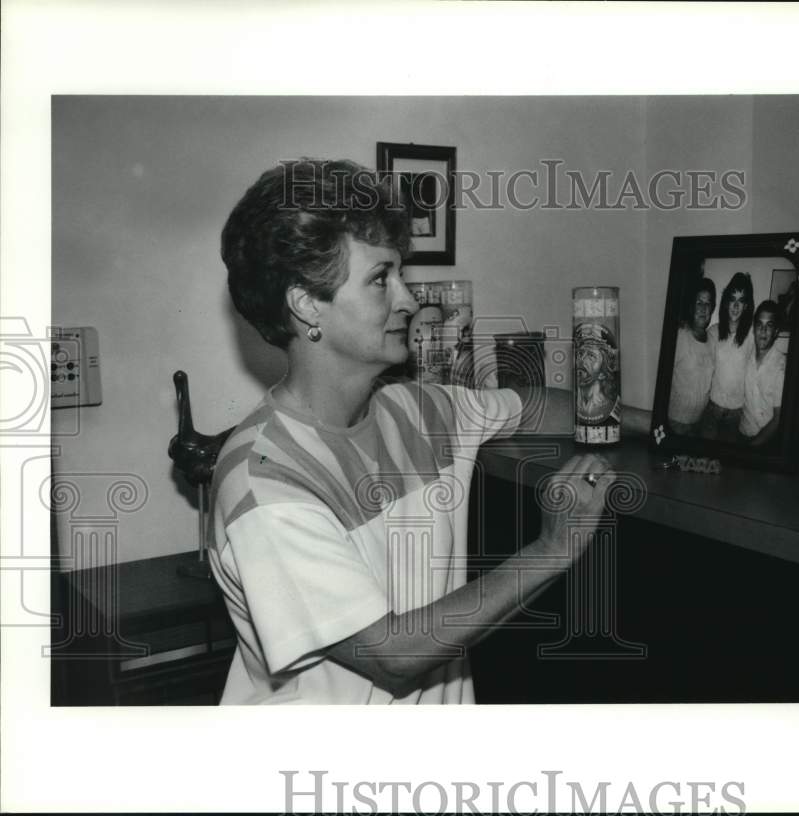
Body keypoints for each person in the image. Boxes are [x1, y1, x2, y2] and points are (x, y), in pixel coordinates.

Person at [212, 159, 614, 704]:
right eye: (381, 279)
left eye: (400, 274)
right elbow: (393, 656)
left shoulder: (418, 409)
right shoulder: (263, 484)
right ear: (307, 304)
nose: (408, 299)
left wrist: (663, 424)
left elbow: (537, 407)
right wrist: (553, 547)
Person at [701, 272, 754, 441]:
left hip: (736, 414)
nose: (736, 306)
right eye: (732, 299)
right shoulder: (713, 332)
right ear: (726, 302)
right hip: (712, 409)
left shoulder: (752, 335)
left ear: (746, 306)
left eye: (741, 301)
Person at [666, 278, 716, 436]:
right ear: (691, 306)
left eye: (707, 304)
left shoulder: (712, 339)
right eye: (699, 302)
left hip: (700, 422)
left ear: (712, 309)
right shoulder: (679, 336)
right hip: (675, 423)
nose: (703, 308)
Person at [739, 300, 787, 447]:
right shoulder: (745, 355)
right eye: (759, 324)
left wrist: (751, 447)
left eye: (769, 325)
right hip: (741, 434)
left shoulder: (782, 366)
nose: (763, 330)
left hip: (767, 441)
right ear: (754, 328)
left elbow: (779, 419)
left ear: (776, 331)